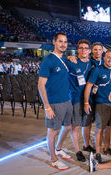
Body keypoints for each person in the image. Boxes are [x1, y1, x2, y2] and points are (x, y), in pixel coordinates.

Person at [38, 32, 73, 170]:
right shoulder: (48, 60)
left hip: (66, 100)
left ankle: (58, 149)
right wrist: (47, 107)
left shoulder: (63, 59)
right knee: (53, 132)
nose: (63, 44)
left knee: (68, 127)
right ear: (54, 42)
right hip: (54, 102)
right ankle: (54, 159)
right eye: (60, 41)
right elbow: (41, 85)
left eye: (65, 42)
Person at [84, 50, 111, 163]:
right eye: (108, 57)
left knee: (109, 128)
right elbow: (89, 86)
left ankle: (106, 148)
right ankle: (98, 152)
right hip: (101, 104)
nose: (110, 60)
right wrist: (86, 102)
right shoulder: (97, 70)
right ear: (104, 58)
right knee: (99, 129)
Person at [65, 39, 92, 162]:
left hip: (88, 99)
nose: (83, 50)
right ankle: (77, 151)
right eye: (81, 48)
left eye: (86, 48)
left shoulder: (92, 64)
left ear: (89, 50)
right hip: (76, 98)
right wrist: (68, 56)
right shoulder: (71, 62)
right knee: (75, 126)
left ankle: (86, 145)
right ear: (78, 50)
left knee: (86, 125)